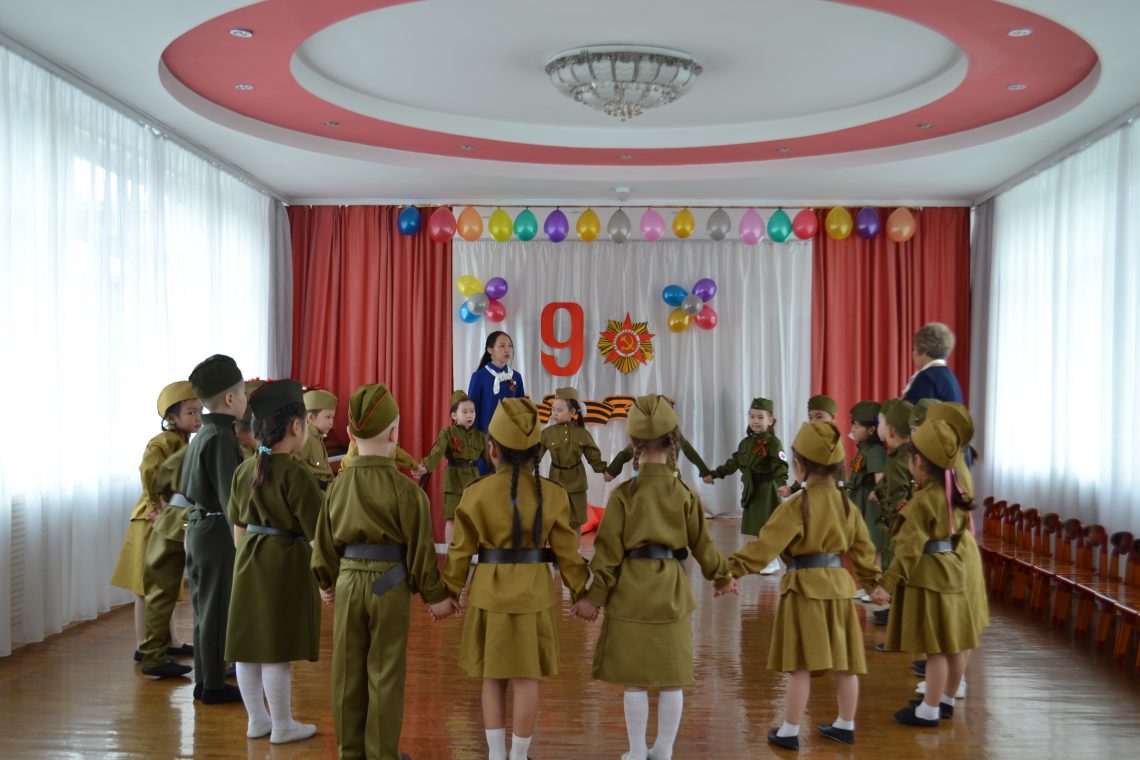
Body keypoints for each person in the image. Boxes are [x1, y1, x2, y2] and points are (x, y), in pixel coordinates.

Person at [571, 394, 734, 760]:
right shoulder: (686, 494)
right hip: (670, 592)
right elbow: (703, 546)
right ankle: (663, 750)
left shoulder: (622, 496)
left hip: (630, 592)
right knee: (671, 676)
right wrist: (722, 578)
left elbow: (607, 556)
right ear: (674, 440)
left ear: (632, 443)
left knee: (636, 680)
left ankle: (635, 752)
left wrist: (592, 599)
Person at [311, 383, 458, 760]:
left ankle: (350, 753)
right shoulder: (408, 492)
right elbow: (422, 552)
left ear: (350, 434)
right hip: (389, 586)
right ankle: (380, 754)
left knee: (346, 673)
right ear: (394, 434)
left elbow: (324, 542)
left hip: (347, 583)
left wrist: (326, 581)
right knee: (385, 672)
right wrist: (436, 598)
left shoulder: (337, 487)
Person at [442, 398, 589, 760]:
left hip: (489, 596)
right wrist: (583, 593)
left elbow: (460, 552)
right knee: (526, 679)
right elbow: (568, 553)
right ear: (538, 452)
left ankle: (496, 755)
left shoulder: (475, 493)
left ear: (492, 450)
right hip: (533, 596)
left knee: (493, 678)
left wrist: (448, 594)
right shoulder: (553, 494)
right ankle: (519, 756)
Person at [720, 421, 881, 749]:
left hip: (804, 589)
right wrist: (874, 583)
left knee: (801, 667)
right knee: (845, 663)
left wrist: (731, 571)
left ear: (799, 465)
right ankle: (845, 724)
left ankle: (790, 731)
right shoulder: (846, 505)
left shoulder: (796, 505)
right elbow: (863, 550)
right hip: (840, 588)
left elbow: (765, 546)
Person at [225, 379, 323, 743]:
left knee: (248, 647)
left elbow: (238, 525)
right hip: (282, 568)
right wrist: (327, 580)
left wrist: (245, 562)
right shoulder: (297, 475)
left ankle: (258, 720)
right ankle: (282, 725)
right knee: (276, 649)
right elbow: (317, 538)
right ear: (296, 426)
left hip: (248, 562)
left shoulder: (243, 470)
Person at [879, 419, 982, 727]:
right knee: (954, 643)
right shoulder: (956, 493)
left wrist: (888, 584)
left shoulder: (922, 502)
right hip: (954, 572)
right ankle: (946, 700)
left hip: (930, 578)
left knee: (935, 649)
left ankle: (929, 709)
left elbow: (908, 550)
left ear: (919, 462)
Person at [113, 380, 200, 667]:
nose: (197, 417)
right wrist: (155, 505)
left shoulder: (185, 441)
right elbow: (148, 471)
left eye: (199, 411)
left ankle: (171, 641)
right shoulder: (161, 442)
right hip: (150, 520)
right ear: (171, 418)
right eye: (190, 412)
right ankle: (143, 645)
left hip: (168, 518)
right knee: (146, 585)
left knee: (167, 582)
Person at [182, 354, 248, 703]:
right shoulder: (221, 437)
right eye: (243, 393)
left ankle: (205, 678)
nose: (245, 399)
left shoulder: (205, 432)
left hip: (200, 527)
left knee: (205, 609)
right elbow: (230, 498)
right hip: (217, 531)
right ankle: (213, 686)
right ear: (230, 399)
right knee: (217, 609)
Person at [704, 397, 790, 573]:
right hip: (752, 490)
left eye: (760, 417)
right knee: (759, 527)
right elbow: (733, 463)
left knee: (767, 526)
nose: (755, 421)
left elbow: (780, 464)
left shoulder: (773, 443)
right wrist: (714, 474)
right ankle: (766, 558)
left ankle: (772, 560)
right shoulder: (745, 443)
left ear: (770, 421)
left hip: (767, 490)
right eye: (752, 417)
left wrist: (782, 483)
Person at [416, 390, 486, 546]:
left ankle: (473, 551)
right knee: (452, 517)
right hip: (454, 479)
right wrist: (426, 466)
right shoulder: (447, 433)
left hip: (473, 480)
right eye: (464, 412)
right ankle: (450, 552)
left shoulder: (480, 436)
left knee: (474, 517)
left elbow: (492, 458)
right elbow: (437, 451)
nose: (469, 415)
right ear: (454, 415)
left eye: (472, 411)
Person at [538, 387, 607, 532]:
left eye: (559, 410)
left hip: (577, 483)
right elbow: (534, 457)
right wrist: (522, 472)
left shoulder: (582, 434)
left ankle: (575, 547)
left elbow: (593, 456)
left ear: (572, 412)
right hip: (556, 481)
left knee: (576, 520)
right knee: (555, 518)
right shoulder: (547, 434)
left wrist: (604, 471)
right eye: (553, 410)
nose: (554, 413)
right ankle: (557, 547)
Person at [871, 398, 914, 628]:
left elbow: (898, 498)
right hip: (898, 522)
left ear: (889, 430)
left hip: (898, 525)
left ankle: (898, 616)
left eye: (879, 422)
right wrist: (879, 491)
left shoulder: (899, 460)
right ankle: (894, 610)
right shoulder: (900, 456)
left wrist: (891, 515)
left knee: (894, 566)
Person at [604, 397, 710, 483]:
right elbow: (625, 454)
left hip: (664, 480)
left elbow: (689, 451)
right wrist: (612, 471)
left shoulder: (671, 433)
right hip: (653, 480)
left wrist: (611, 471)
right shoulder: (647, 433)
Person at [467, 331, 526, 474]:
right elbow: (472, 410)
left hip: (510, 439)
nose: (507, 350)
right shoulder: (479, 376)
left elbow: (521, 409)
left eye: (510, 346)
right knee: (485, 479)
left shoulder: (516, 377)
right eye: (502, 346)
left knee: (509, 479)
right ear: (490, 350)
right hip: (486, 439)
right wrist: (476, 441)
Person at [846, 401, 886, 564]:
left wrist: (878, 491)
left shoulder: (874, 450)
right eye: (853, 425)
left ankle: (876, 578)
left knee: (872, 544)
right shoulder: (863, 448)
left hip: (869, 505)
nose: (853, 430)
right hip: (859, 500)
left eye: (857, 426)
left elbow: (880, 478)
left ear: (871, 430)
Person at [788, 394, 842, 495]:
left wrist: (842, 497)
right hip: (812, 493)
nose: (813, 422)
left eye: (819, 417)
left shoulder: (836, 441)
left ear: (833, 418)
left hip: (832, 493)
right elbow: (805, 470)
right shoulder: (808, 440)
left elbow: (840, 474)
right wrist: (792, 489)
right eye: (810, 417)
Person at [902, 322, 963, 404]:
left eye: (915, 349)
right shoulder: (950, 378)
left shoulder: (926, 378)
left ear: (924, 351)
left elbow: (912, 411)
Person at [295, 389, 337, 489]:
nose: (331, 422)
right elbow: (292, 466)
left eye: (332, 417)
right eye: (328, 417)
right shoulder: (305, 438)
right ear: (311, 418)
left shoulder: (318, 437)